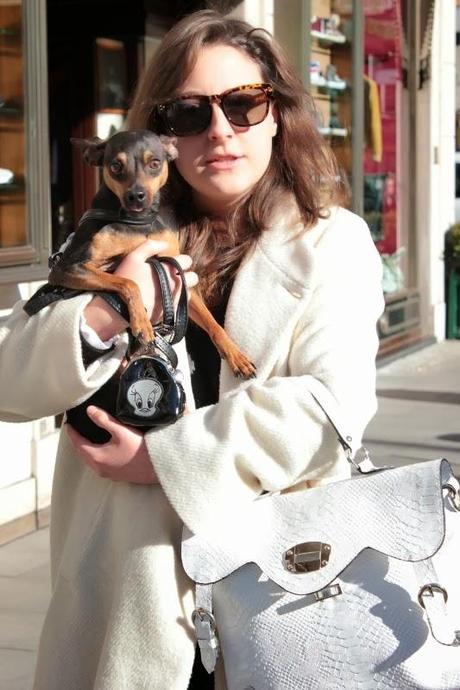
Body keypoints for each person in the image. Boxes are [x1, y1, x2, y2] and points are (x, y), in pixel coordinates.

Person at [0, 9, 384, 690]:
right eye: (187, 112)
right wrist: (107, 306)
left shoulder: (333, 243)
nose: (219, 131)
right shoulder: (113, 233)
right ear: (160, 134)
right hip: (124, 604)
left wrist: (164, 461)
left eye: (243, 104)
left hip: (274, 599)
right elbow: (12, 384)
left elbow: (331, 409)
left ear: (276, 113)